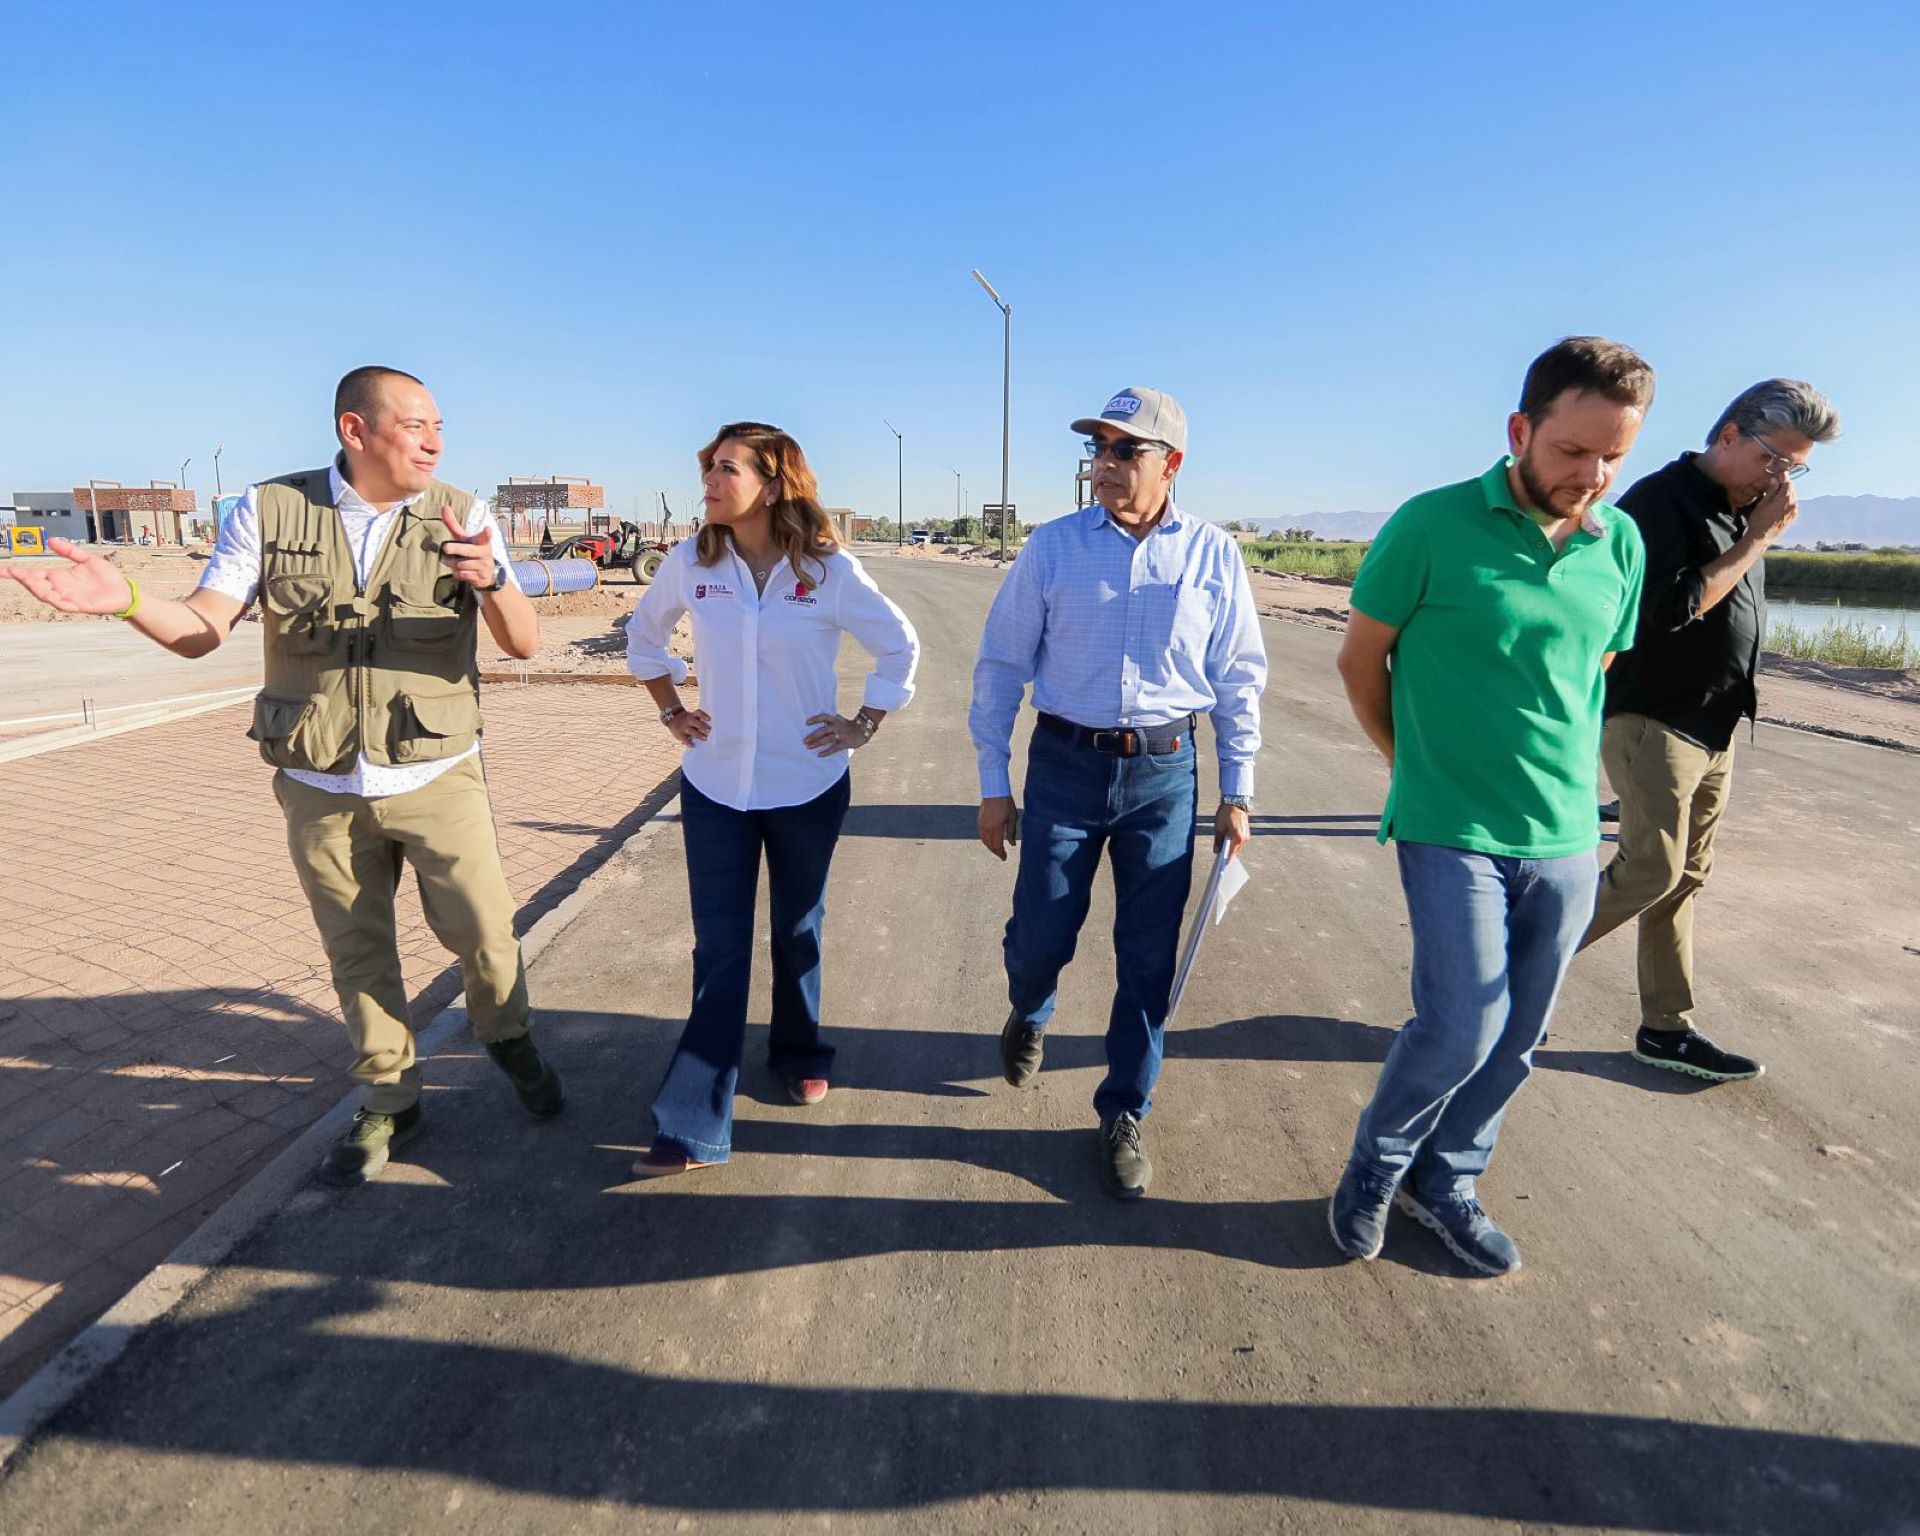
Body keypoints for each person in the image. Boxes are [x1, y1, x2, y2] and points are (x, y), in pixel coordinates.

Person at [2, 367, 564, 1185]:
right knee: (357, 951)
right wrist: (122, 598)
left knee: (484, 932)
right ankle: (391, 1096)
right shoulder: (267, 511)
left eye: (439, 424)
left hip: (438, 772)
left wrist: (494, 580)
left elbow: (524, 643)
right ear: (355, 430)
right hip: (321, 781)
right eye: (414, 424)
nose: (435, 439)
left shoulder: (464, 514)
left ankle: (509, 1038)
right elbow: (202, 627)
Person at [1328, 338, 1651, 1275]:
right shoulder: (1430, 525)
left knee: (1518, 1036)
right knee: (1459, 1022)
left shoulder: (1619, 544)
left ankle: (1449, 1179)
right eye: (1572, 452)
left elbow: (1592, 668)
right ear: (1521, 431)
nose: (1591, 476)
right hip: (1448, 825)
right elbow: (1360, 662)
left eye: (1612, 457)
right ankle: (1374, 1168)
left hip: (1564, 832)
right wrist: (1414, 765)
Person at [969, 387, 1268, 1200]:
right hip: (1064, 765)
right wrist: (994, 784)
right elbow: (1001, 666)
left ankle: (1123, 1108)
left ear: (1170, 463)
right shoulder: (1053, 549)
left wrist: (1237, 791)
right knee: (1041, 934)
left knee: (1146, 959)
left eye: (1123, 451)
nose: (1104, 465)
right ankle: (1030, 1006)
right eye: (1098, 449)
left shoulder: (1212, 556)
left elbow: (1240, 679)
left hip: (1165, 774)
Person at [624, 422, 919, 1176]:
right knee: (719, 950)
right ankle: (692, 1121)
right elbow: (644, 636)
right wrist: (669, 709)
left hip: (807, 784)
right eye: (709, 470)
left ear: (774, 481)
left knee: (797, 929)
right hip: (716, 784)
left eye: (727, 470)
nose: (710, 483)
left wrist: (865, 721)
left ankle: (798, 1050)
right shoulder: (693, 561)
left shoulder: (828, 571)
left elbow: (900, 645)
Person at [1578, 380, 1840, 1081]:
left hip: (1713, 723)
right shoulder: (1659, 504)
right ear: (1728, 435)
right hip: (1653, 716)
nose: (1781, 476)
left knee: (1686, 877)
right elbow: (1667, 610)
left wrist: (1753, 528)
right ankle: (1504, 976)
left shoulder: (1743, 507)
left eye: (1796, 465)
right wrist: (1755, 542)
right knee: (1651, 870)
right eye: (1774, 457)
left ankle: (1666, 1028)